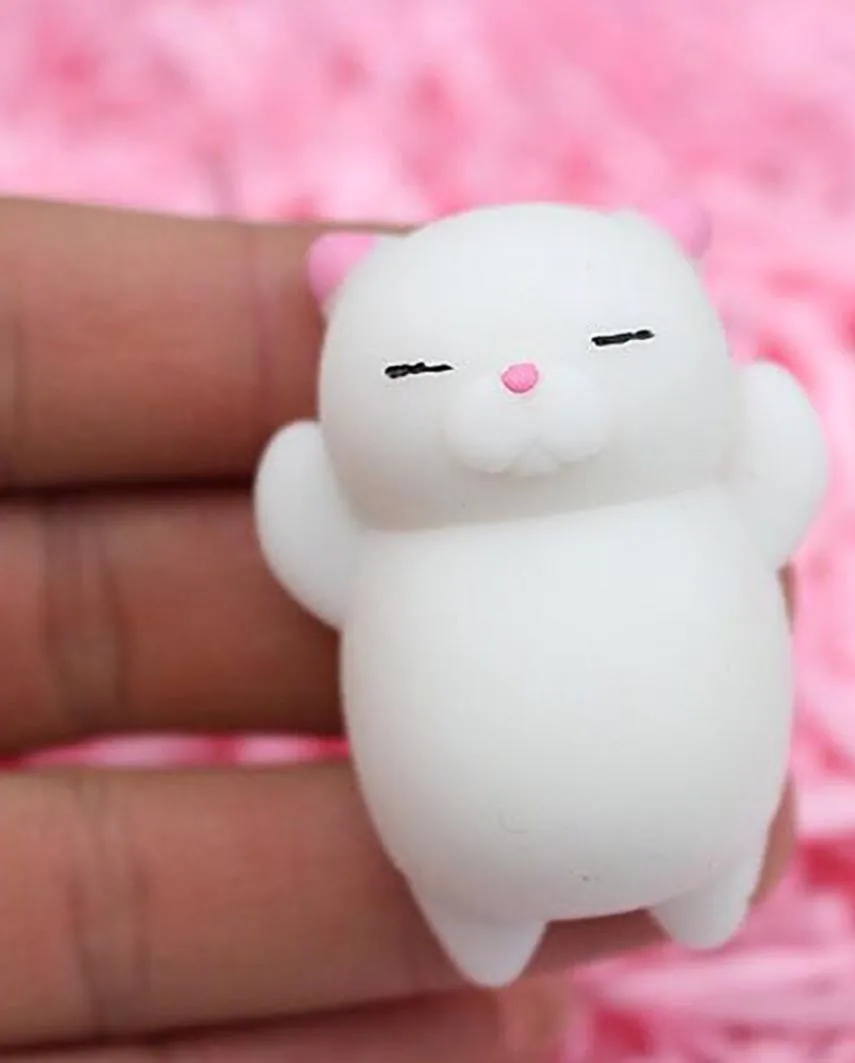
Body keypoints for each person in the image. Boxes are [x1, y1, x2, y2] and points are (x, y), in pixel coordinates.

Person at [0, 197, 795, 1061]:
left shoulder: (684, 496)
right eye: (421, 370)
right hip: (465, 844)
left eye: (616, 342)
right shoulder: (394, 535)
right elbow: (322, 554)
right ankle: (490, 913)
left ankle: (692, 885)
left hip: (709, 810)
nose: (521, 380)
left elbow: (773, 490)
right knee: (475, 877)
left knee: (693, 845)